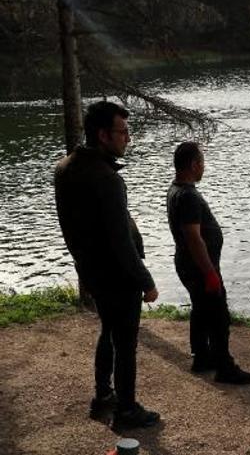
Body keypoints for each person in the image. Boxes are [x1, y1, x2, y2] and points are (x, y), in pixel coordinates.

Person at [54, 101, 161, 428]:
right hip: (117, 274)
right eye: (123, 131)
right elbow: (120, 241)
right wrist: (146, 280)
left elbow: (72, 226)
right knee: (125, 342)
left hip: (92, 270)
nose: (128, 138)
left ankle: (103, 395)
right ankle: (126, 410)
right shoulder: (107, 179)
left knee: (109, 330)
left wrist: (84, 264)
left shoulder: (65, 167)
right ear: (103, 135)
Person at [166, 141, 250, 385]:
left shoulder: (176, 190)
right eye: (202, 162)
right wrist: (210, 273)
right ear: (194, 164)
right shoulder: (188, 196)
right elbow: (194, 238)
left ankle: (202, 357)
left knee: (201, 309)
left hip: (187, 263)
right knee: (218, 314)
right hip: (198, 266)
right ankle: (225, 367)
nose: (204, 167)